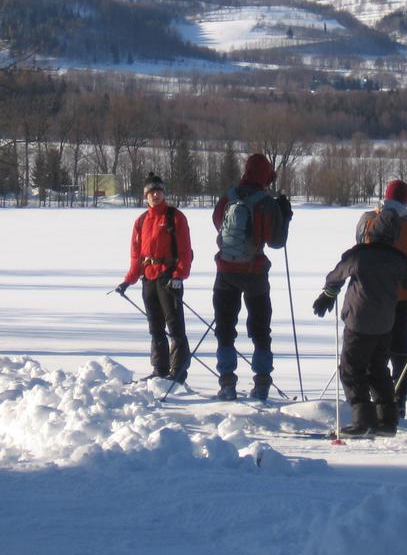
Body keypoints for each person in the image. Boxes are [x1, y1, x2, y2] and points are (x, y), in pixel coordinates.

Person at [314, 208, 407, 437]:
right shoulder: (398, 260)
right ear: (394, 236)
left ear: (372, 230)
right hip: (386, 324)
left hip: (358, 323)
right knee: (377, 369)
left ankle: (362, 421)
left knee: (351, 370)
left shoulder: (358, 254)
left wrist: (328, 294)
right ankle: (387, 420)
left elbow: (335, 276)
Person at [211, 153, 292, 401]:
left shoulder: (229, 196)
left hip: (225, 270)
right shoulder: (266, 202)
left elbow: (217, 222)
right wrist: (284, 216)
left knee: (225, 328)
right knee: (260, 329)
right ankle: (262, 382)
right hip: (255, 273)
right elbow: (276, 242)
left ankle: (227, 383)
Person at [354, 179, 407, 419]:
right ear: (406, 200)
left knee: (371, 349)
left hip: (371, 295)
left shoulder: (367, 220)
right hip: (402, 297)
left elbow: (359, 250)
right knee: (400, 350)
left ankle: (375, 399)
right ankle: (399, 399)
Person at [116, 172, 194, 382]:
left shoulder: (175, 217)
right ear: (145, 196)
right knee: (155, 326)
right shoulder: (141, 221)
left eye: (158, 191)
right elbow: (136, 255)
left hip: (169, 278)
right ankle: (160, 370)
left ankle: (178, 372)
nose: (155, 195)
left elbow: (186, 252)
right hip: (148, 279)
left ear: (164, 193)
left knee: (175, 326)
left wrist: (179, 275)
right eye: (151, 192)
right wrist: (128, 280)